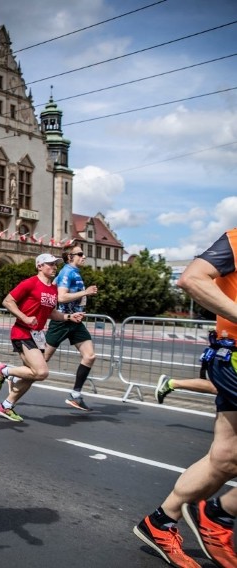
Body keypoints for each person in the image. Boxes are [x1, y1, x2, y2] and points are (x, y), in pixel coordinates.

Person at [134, 228, 237, 568]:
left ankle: (164, 521)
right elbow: (192, 279)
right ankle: (218, 514)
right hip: (233, 357)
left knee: (225, 458)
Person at [0, 253, 83, 422]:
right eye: (50, 264)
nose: (54, 267)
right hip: (22, 332)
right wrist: (25, 317)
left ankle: (6, 406)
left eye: (55, 264)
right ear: (39, 266)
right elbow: (8, 301)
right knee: (41, 372)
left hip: (38, 335)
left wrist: (69, 317)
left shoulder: (53, 289)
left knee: (31, 375)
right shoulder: (30, 283)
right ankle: (4, 371)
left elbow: (51, 313)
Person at [43, 244, 99, 411]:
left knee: (89, 356)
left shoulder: (74, 272)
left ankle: (75, 395)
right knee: (41, 361)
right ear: (70, 257)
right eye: (80, 254)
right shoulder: (67, 271)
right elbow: (61, 297)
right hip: (61, 321)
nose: (84, 256)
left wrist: (80, 309)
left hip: (75, 321)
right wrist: (85, 293)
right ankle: (11, 374)